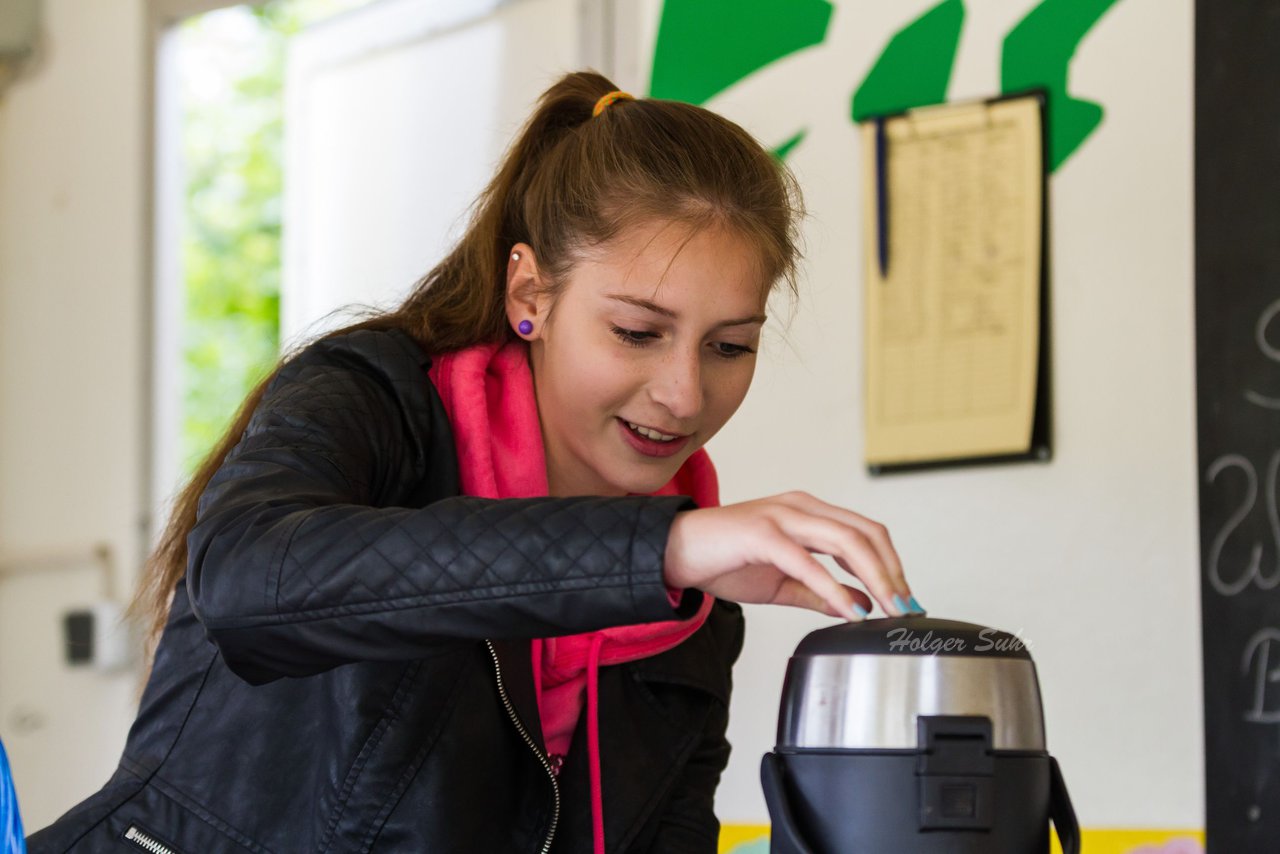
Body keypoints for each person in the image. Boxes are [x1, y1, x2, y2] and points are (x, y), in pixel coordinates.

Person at [27, 70, 921, 853]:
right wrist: (659, 548)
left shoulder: (691, 606)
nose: (685, 395)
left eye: (729, 346)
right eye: (637, 333)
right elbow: (248, 581)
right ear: (531, 294)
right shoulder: (376, 395)